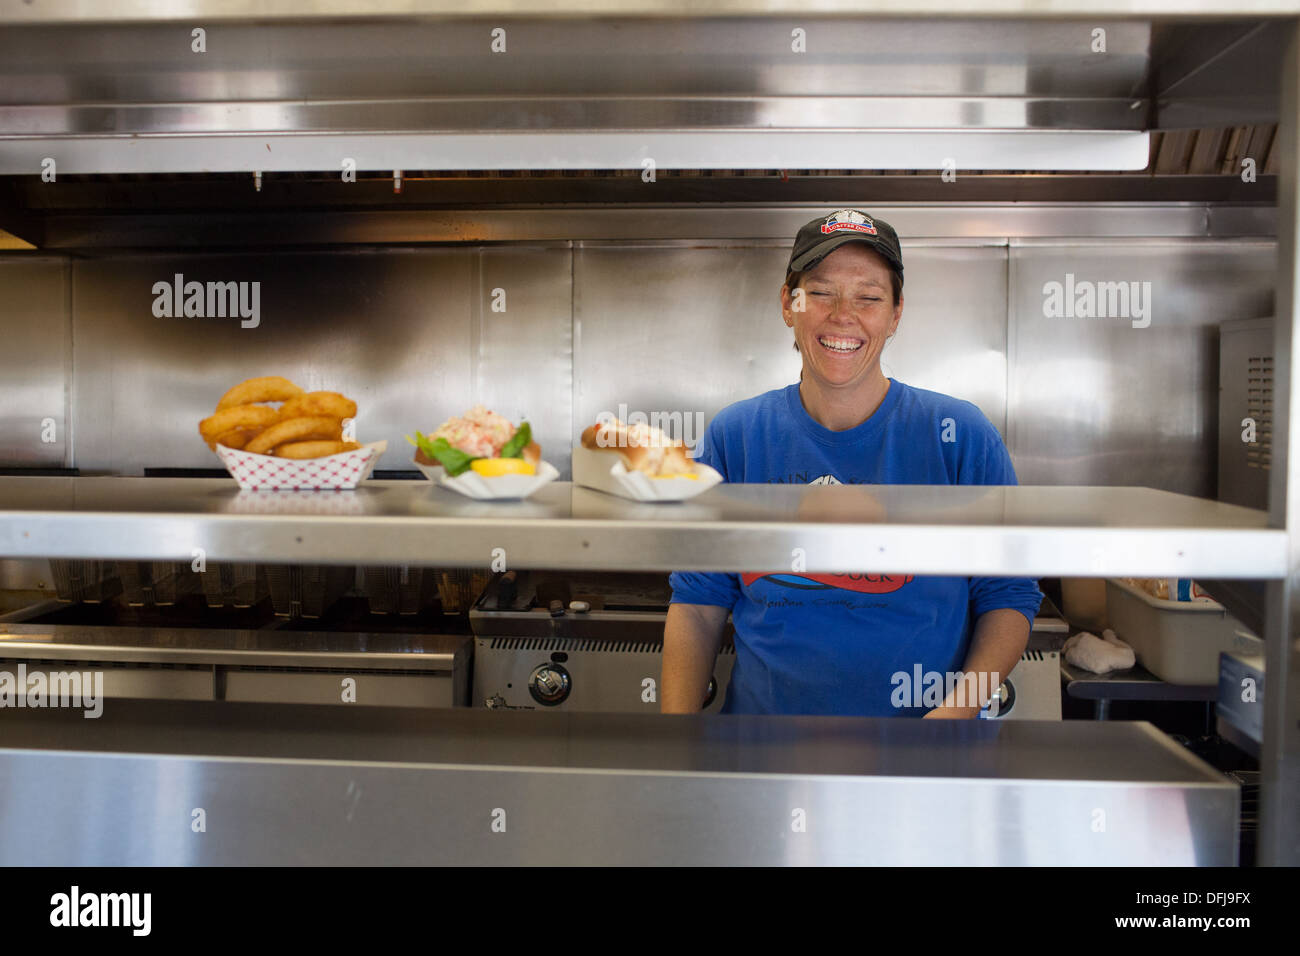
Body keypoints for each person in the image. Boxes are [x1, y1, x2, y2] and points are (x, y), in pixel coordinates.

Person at [663, 209, 1042, 718]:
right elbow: (698, 603)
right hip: (762, 756)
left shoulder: (959, 437)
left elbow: (1008, 595)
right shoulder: (737, 436)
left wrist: (950, 720)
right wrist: (679, 742)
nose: (844, 315)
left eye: (868, 297)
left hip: (925, 757)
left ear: (896, 313)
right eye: (820, 292)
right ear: (788, 303)